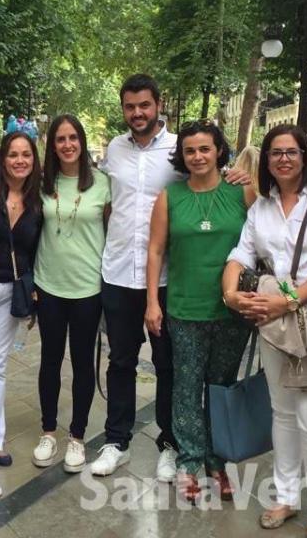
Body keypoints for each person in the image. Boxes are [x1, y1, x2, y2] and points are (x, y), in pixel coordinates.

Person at [92, 75, 249, 479]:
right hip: (118, 272)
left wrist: (236, 175)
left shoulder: (181, 149)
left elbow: (208, 179)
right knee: (120, 361)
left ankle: (170, 442)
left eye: (144, 105)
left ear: (158, 104)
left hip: (166, 280)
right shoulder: (114, 149)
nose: (137, 113)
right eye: (130, 106)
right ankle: (117, 441)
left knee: (169, 366)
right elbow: (109, 202)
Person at [222, 125, 307, 538]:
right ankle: (285, 496)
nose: (283, 159)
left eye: (291, 152)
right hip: (275, 325)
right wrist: (230, 294)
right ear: (266, 160)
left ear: (304, 156)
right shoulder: (262, 206)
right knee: (281, 412)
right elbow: (240, 255)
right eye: (275, 153)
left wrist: (288, 299)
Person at [144, 120, 256, 502]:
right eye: (190, 150)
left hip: (232, 310)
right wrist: (152, 302)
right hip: (184, 308)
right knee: (187, 387)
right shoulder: (170, 197)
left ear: (219, 151)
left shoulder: (242, 192)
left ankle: (216, 460)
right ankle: (189, 461)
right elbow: (155, 250)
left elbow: (263, 240)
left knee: (221, 386)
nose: (197, 156)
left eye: (205, 148)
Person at [31, 116, 111, 474]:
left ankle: (77, 436)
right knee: (49, 360)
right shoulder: (42, 184)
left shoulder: (103, 184)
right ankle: (48, 432)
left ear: (82, 141)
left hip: (88, 287)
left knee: (82, 363)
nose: (67, 145)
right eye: (60, 139)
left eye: (73, 138)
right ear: (53, 145)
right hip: (48, 285)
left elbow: (113, 231)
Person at [0, 130, 43, 466]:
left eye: (26, 155)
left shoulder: (38, 201)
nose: (19, 161)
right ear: (3, 158)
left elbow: (39, 248)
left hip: (11, 292)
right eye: (13, 154)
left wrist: (35, 290)